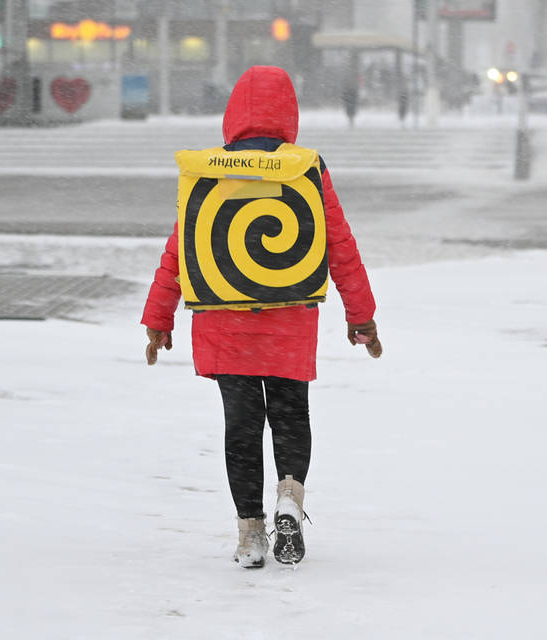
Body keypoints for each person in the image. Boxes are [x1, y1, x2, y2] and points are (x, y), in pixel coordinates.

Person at [141, 65, 381, 568]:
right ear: (289, 113)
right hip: (289, 318)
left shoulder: (211, 169)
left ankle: (250, 533)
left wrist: (159, 318)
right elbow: (339, 243)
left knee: (242, 426)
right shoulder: (305, 167)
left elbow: (180, 247)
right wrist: (362, 316)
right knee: (291, 414)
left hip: (224, 321)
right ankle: (289, 497)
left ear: (232, 115)